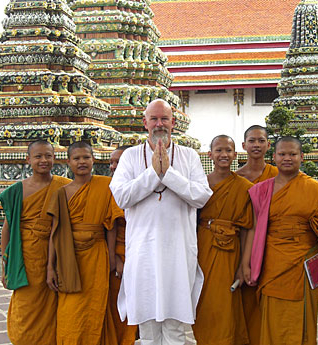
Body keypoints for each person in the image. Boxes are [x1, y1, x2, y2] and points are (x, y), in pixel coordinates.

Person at [109, 99, 213, 345]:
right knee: (147, 326)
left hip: (177, 252)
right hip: (142, 252)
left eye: (164, 119)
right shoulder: (130, 157)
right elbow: (122, 197)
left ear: (173, 123)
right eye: (154, 119)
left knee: (175, 326)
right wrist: (152, 173)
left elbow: (201, 196)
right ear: (144, 123)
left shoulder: (188, 156)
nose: (159, 124)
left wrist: (169, 174)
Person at [242, 136, 318, 345]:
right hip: (271, 262)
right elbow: (254, 228)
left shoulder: (316, 190)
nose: (287, 158)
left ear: (301, 157)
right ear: (274, 156)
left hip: (303, 261)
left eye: (293, 154)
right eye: (282, 154)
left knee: (301, 320)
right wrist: (246, 264)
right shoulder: (262, 190)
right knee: (272, 318)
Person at [46, 141, 122, 344]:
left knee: (96, 307)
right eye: (77, 158)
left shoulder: (106, 186)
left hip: (97, 254)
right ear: (68, 162)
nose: (82, 162)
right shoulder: (61, 193)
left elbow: (111, 225)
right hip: (69, 256)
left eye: (86, 157)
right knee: (70, 309)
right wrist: (50, 267)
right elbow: (55, 231)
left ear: (93, 160)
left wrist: (112, 256)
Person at [0, 140, 70, 345]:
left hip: (57, 252)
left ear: (54, 158)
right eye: (38, 156)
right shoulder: (17, 191)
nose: (44, 160)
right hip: (27, 257)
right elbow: (7, 228)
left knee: (54, 307)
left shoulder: (64, 186)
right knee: (26, 305)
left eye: (48, 155)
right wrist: (5, 263)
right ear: (28, 159)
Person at [192, 135, 254, 345]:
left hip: (229, 250)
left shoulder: (243, 187)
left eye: (228, 150)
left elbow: (247, 228)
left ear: (235, 155)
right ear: (210, 155)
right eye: (219, 150)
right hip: (203, 246)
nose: (223, 155)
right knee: (203, 303)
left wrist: (244, 264)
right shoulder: (201, 184)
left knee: (225, 303)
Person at [236, 125, 278, 344]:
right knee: (246, 300)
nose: (256, 145)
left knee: (270, 298)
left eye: (261, 141)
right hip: (244, 244)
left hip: (272, 245)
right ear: (244, 145)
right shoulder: (236, 178)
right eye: (252, 141)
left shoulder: (279, 176)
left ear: (268, 145)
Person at [109, 145, 138, 345]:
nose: (113, 166)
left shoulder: (143, 187)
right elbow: (106, 225)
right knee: (115, 308)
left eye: (118, 162)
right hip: (115, 255)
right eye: (111, 162)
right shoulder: (106, 187)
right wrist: (114, 258)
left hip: (138, 253)